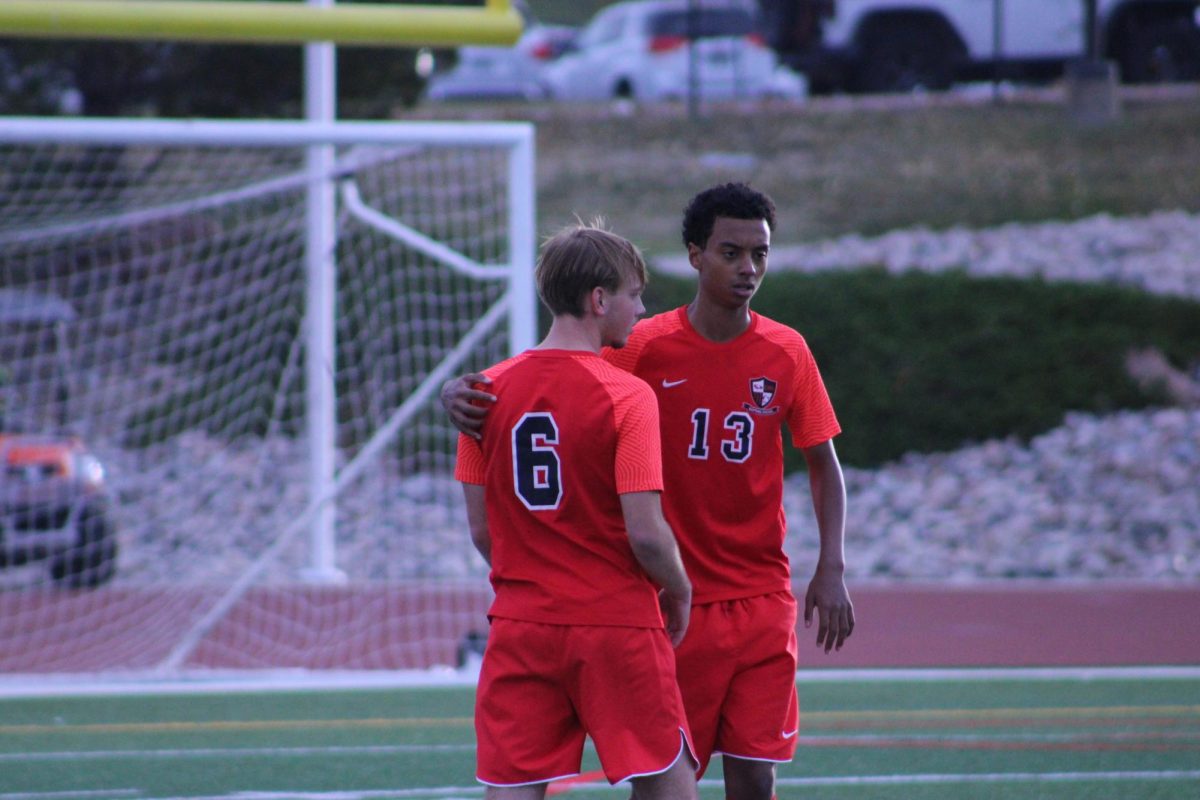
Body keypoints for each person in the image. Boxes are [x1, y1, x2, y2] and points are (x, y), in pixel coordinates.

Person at [445, 184, 855, 800]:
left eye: (760, 254)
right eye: (731, 252)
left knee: (752, 771)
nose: (748, 268)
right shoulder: (638, 352)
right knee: (666, 777)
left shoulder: (787, 350)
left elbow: (824, 462)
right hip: (664, 602)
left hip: (757, 598)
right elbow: (562, 387)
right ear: (695, 254)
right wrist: (457, 395)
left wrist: (832, 564)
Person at [455, 222, 698, 800]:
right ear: (598, 300)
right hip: (615, 623)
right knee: (668, 779)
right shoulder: (627, 395)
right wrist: (681, 589)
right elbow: (646, 533)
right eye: (634, 294)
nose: (641, 309)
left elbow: (482, 529)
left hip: (521, 622)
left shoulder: (480, 392)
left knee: (514, 785)